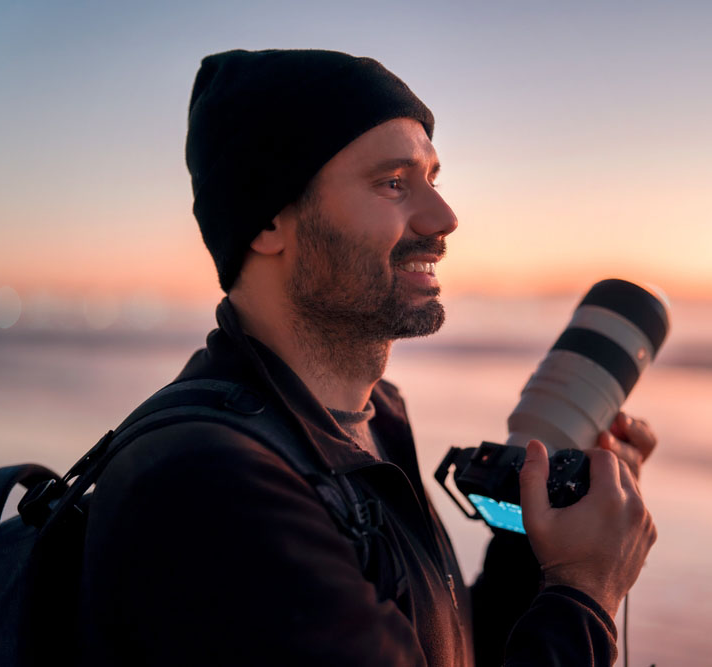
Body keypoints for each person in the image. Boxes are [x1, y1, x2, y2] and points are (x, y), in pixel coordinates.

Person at [78, 49, 658, 666]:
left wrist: (542, 542)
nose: (444, 217)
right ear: (267, 222)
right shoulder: (212, 488)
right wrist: (587, 593)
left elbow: (438, 652)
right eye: (393, 183)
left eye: (433, 179)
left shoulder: (374, 416)